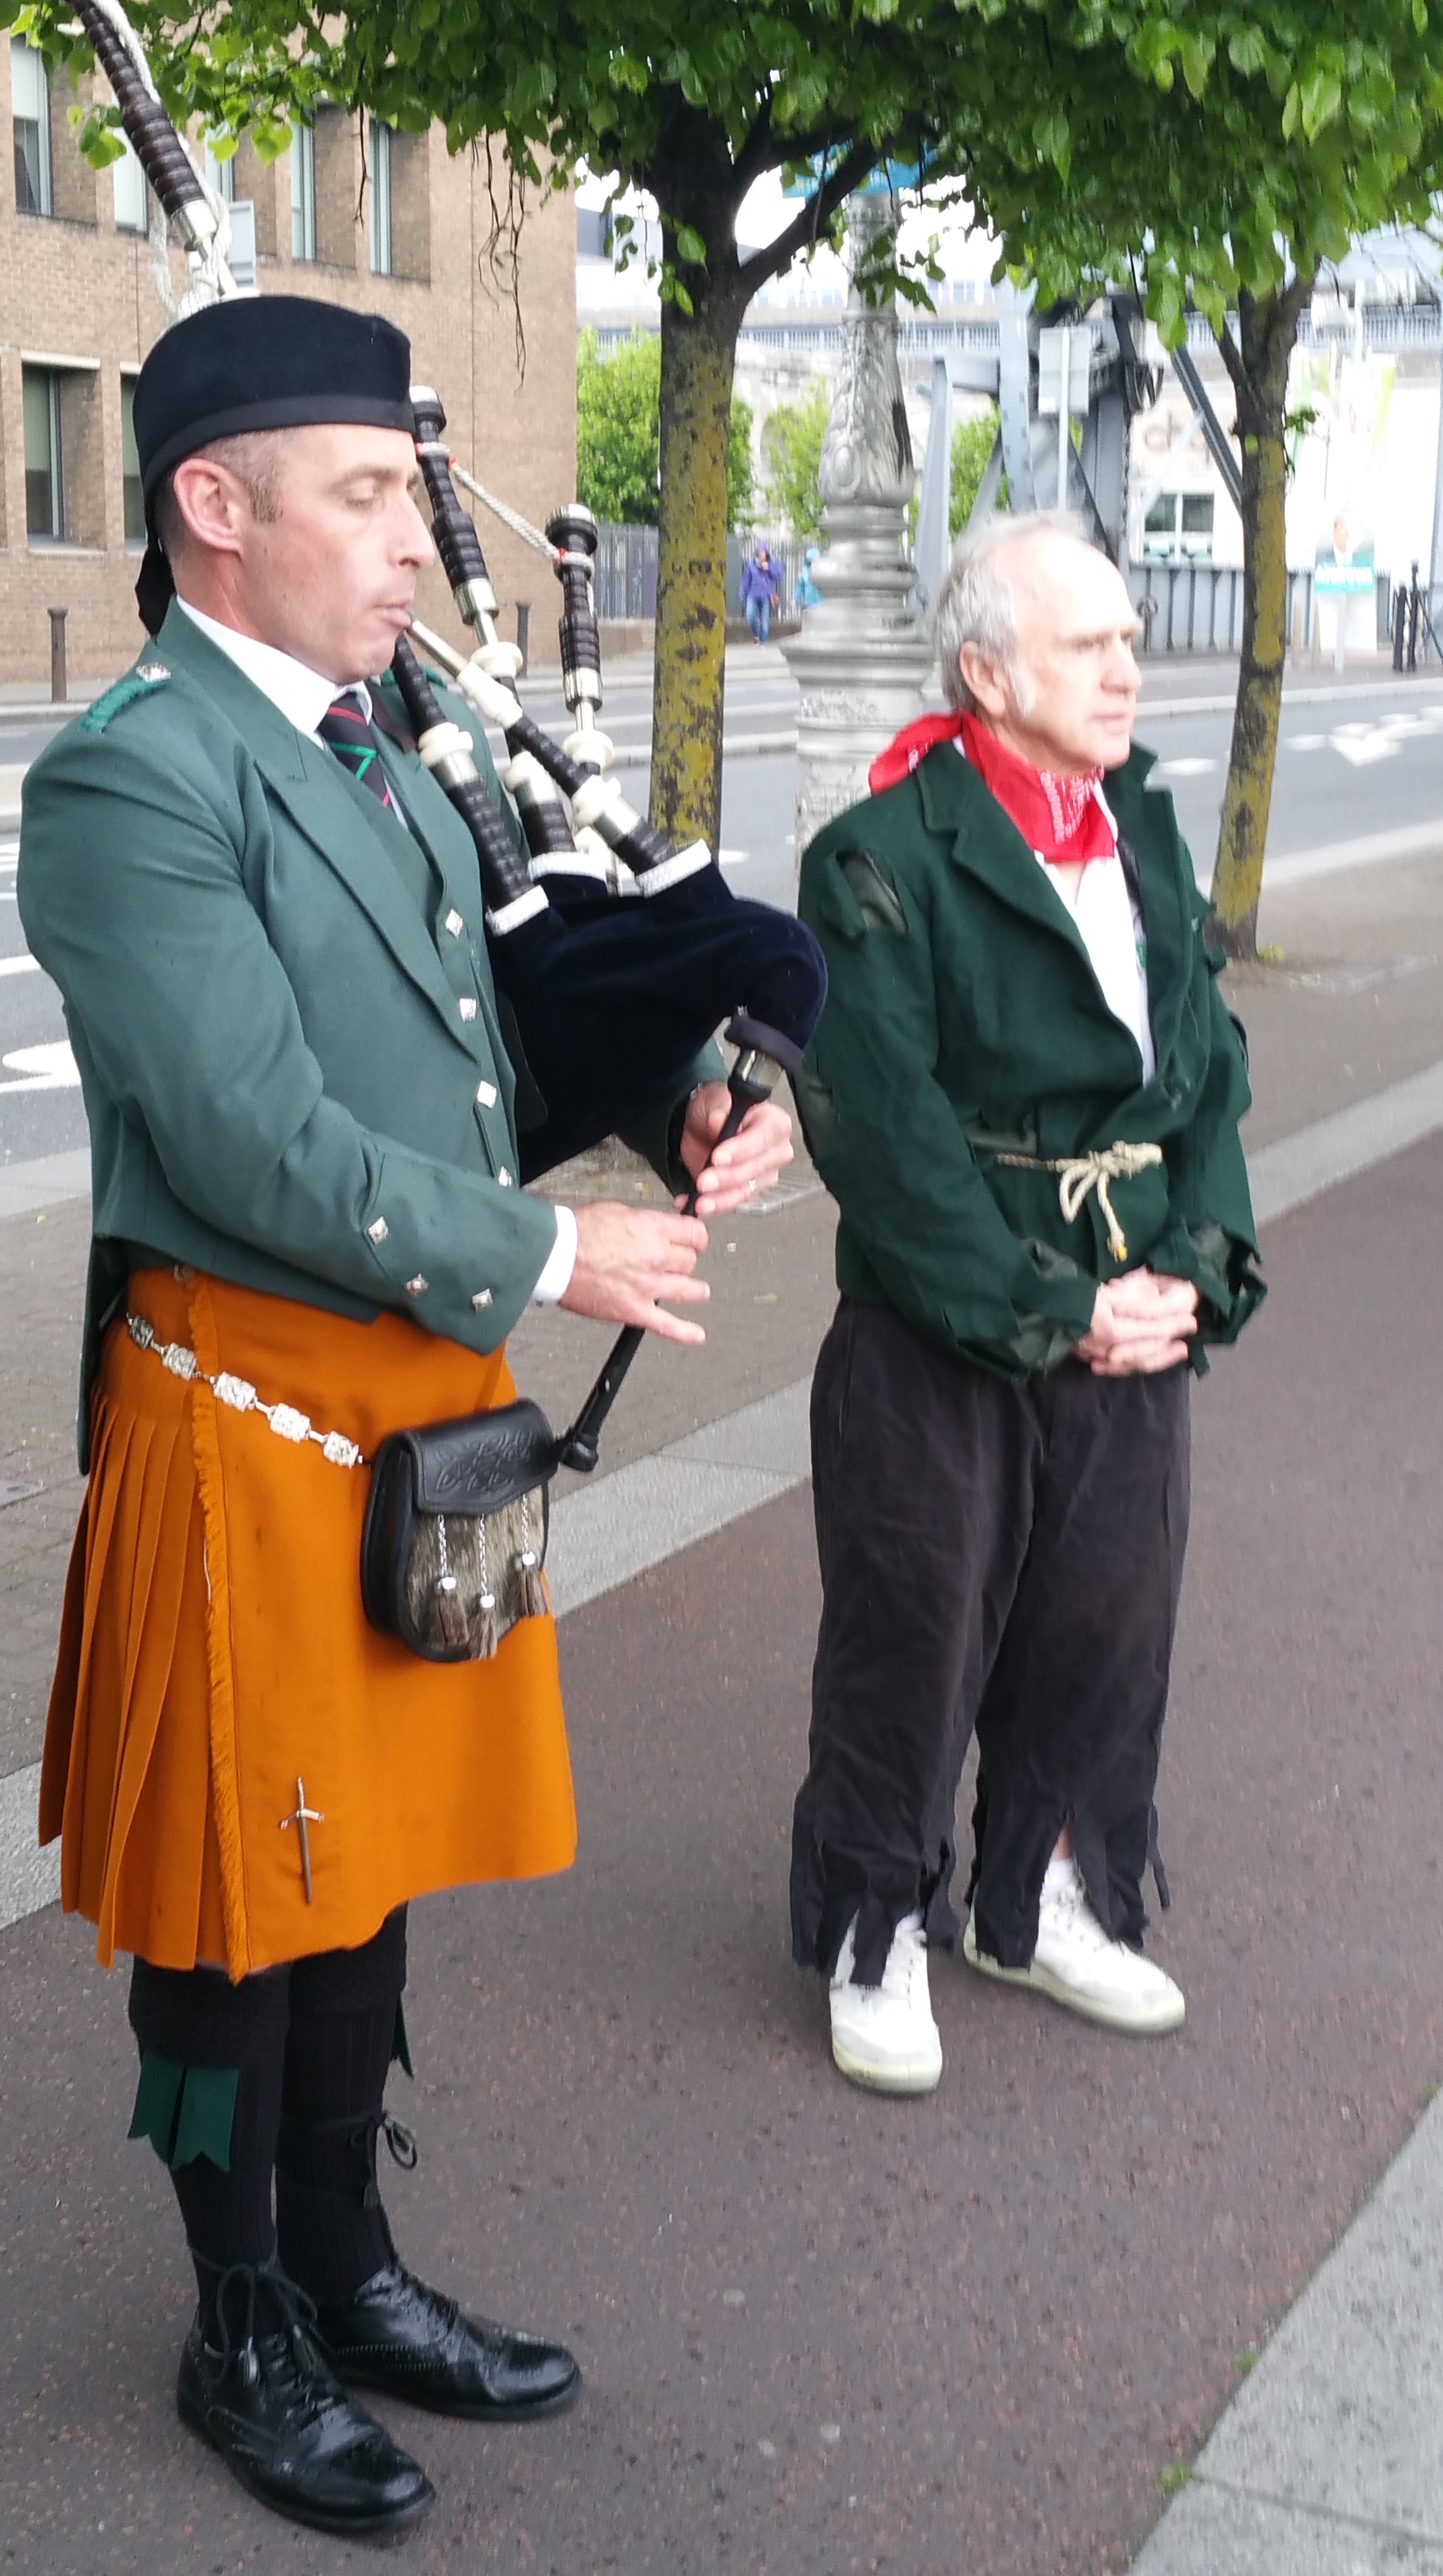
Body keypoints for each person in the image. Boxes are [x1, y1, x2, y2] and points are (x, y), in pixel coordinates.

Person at [17, 295, 793, 2538]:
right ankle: (238, 2314)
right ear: (213, 504)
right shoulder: (135, 777)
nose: (411, 545)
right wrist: (553, 1253)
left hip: (412, 1406)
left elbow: (484, 1056)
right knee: (235, 1897)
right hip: (246, 1413)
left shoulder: (381, 745)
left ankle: (349, 2264)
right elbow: (248, 1135)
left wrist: (682, 1097)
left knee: (365, 1872)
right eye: (364, 495)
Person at [787, 510, 1263, 2096]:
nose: (1128, 668)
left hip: (1131, 1304)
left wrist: (1195, 1264)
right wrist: (1057, 1304)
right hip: (943, 1326)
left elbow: (1206, 1073)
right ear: (987, 675)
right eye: (1089, 644)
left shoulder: (1141, 831)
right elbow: (884, 1135)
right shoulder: (878, 857)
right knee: (914, 1632)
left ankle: (1041, 1898)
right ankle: (877, 1926)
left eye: (1129, 637)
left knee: (1107, 1621)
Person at [740, 542, 781, 644]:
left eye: (764, 552)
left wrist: (769, 569)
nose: (762, 554)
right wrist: (743, 593)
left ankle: (763, 642)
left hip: (766, 596)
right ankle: (758, 635)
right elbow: (746, 580)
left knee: (765, 622)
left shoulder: (772, 563)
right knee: (751, 616)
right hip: (753, 595)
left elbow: (778, 575)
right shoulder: (751, 565)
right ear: (757, 553)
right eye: (760, 552)